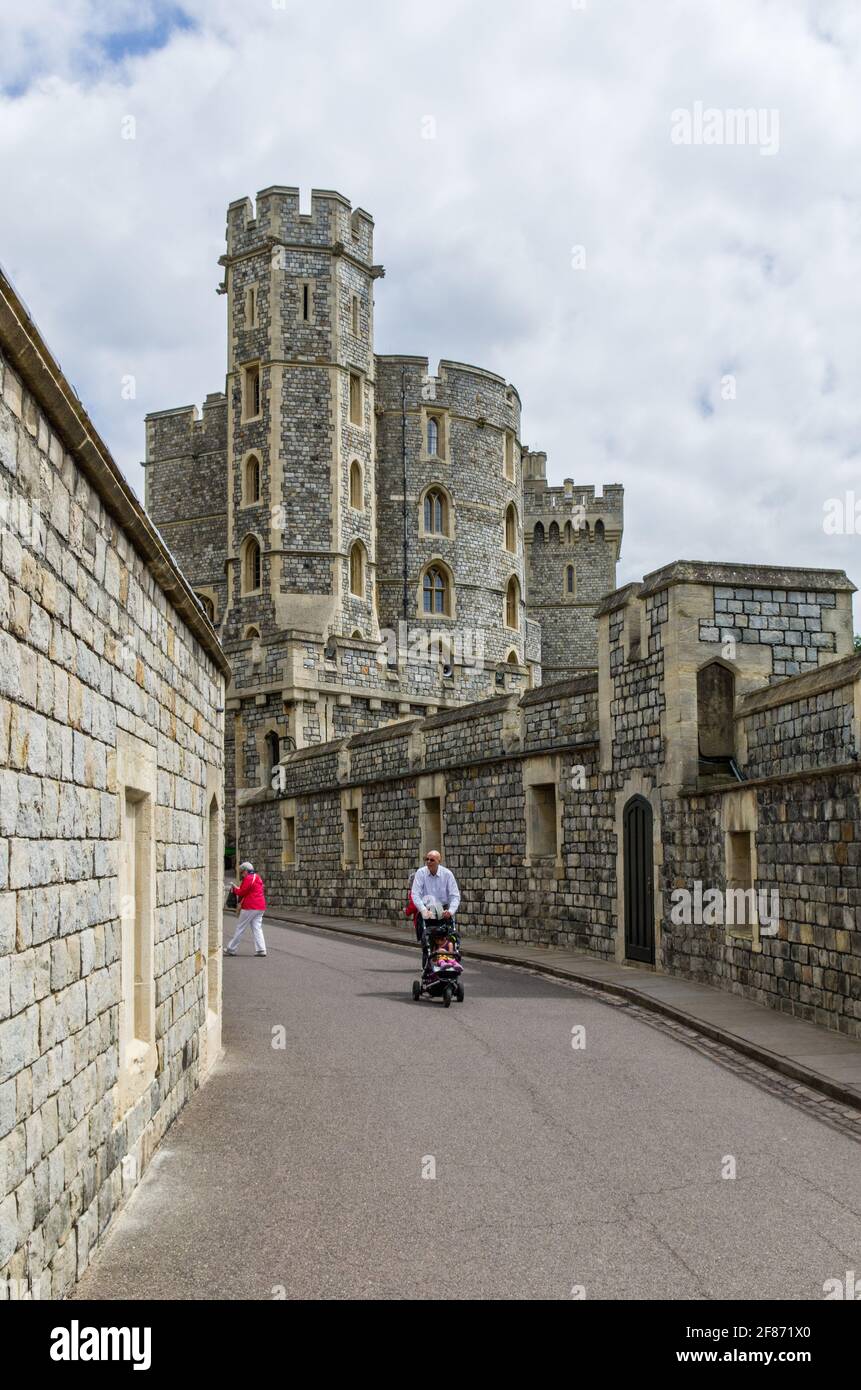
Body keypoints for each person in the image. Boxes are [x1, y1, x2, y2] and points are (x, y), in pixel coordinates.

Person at [410, 851, 461, 966]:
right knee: (427, 941)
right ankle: (427, 966)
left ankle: (449, 961)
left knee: (449, 937)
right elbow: (415, 894)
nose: (428, 862)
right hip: (426, 911)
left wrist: (451, 911)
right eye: (426, 859)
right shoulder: (421, 873)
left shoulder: (447, 874)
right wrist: (423, 910)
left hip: (443, 911)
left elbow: (455, 896)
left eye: (432, 860)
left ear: (439, 861)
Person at [224, 861, 267, 957]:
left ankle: (231, 949)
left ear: (246, 871)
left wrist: (234, 889)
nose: (242, 874)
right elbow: (249, 890)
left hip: (250, 906)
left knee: (240, 928)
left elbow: (241, 892)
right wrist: (238, 888)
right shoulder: (257, 877)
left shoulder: (248, 878)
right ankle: (261, 949)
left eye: (242, 872)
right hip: (260, 906)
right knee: (257, 928)